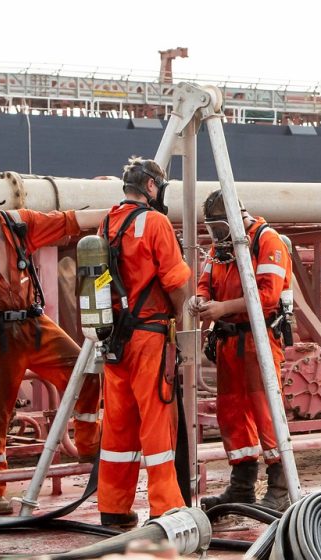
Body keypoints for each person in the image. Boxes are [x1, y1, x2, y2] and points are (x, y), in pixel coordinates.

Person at [0, 173, 108, 515]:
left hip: (33, 323)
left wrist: (122, 213)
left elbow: (71, 220)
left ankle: (89, 444)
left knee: (84, 369)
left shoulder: (19, 225)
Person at [94, 158, 194, 528]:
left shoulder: (107, 223)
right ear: (152, 187)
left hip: (114, 339)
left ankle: (114, 508)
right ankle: (166, 506)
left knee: (118, 426)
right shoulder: (155, 222)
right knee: (156, 420)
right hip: (150, 336)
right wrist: (187, 331)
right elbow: (176, 282)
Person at [194, 190, 295, 512]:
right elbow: (205, 280)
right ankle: (242, 486)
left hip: (259, 339)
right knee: (232, 412)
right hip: (229, 341)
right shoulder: (219, 248)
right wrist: (201, 300)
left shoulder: (267, 241)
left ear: (236, 219)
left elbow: (266, 296)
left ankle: (280, 487)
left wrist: (222, 308)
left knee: (266, 411)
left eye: (220, 227)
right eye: (213, 229)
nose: (216, 235)